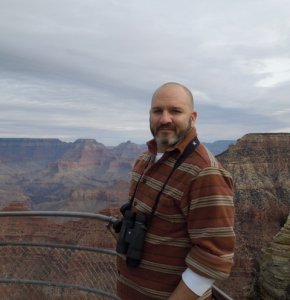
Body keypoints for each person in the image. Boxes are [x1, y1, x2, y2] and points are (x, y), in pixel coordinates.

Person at [116, 82, 235, 300]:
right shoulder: (144, 160)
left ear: (193, 117)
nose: (164, 119)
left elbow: (214, 255)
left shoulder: (204, 171)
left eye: (175, 111)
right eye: (157, 111)